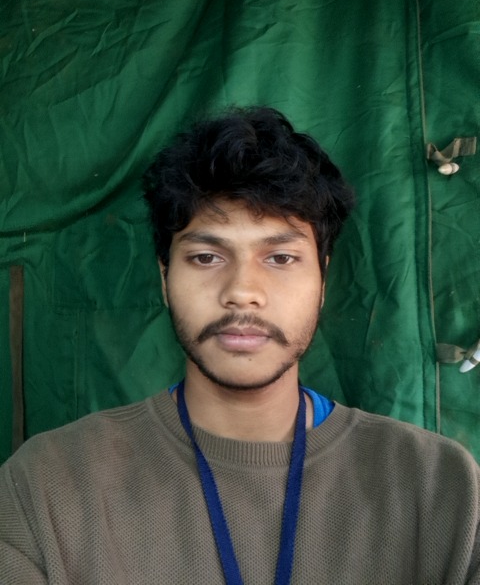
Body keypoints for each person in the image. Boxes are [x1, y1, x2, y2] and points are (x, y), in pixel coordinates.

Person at [0, 107, 478, 585]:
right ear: (165, 279)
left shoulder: (443, 489)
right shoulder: (46, 488)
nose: (242, 291)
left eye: (281, 257)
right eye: (206, 257)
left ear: (323, 279)